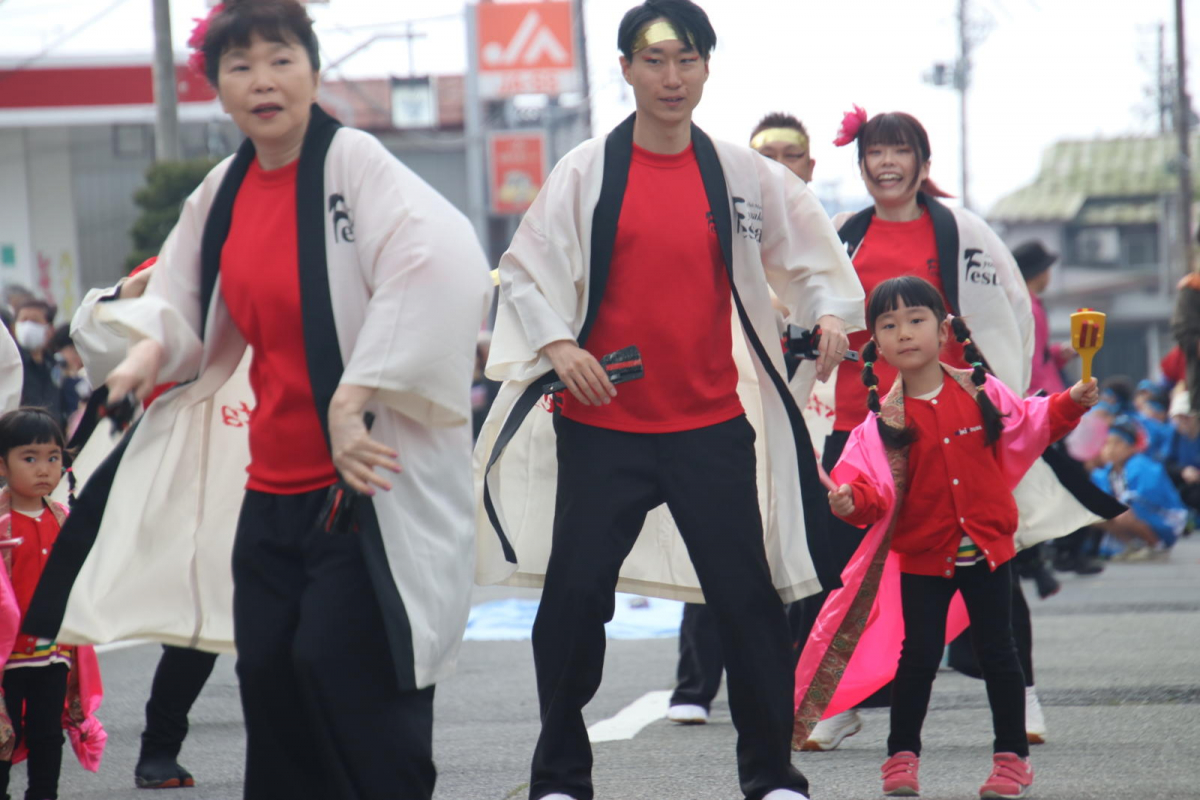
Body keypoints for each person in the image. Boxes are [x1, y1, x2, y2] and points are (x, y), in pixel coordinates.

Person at [23, 2, 491, 798]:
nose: (262, 81)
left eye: (280, 59)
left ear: (312, 71)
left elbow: (441, 266)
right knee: (270, 673)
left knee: (345, 668)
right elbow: (182, 302)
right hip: (272, 490)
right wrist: (139, 361)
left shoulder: (358, 167)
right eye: (240, 67)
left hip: (367, 484)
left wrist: (357, 396)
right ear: (219, 88)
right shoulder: (225, 190)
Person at [473, 3, 864, 799]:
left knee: (748, 603)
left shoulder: (740, 172)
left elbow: (813, 252)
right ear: (624, 69)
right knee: (574, 603)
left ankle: (768, 772)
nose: (671, 77)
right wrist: (559, 348)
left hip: (710, 427)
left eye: (686, 60)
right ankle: (558, 774)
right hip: (602, 427)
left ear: (707, 68)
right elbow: (522, 270)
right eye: (654, 62)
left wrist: (827, 310)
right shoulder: (586, 169)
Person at [795, 107, 1113, 753]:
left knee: (990, 550)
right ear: (861, 166)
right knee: (844, 567)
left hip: (954, 421)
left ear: (922, 162)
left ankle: (1020, 692)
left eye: (899, 150)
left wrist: (1003, 398)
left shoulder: (961, 230)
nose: (886, 162)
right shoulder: (841, 235)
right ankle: (845, 697)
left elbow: (1010, 312)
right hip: (863, 422)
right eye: (874, 153)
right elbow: (815, 306)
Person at [816, 276, 1097, 798]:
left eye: (917, 320)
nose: (905, 333)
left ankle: (1012, 759)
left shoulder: (981, 389)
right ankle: (901, 759)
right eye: (889, 325)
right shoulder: (880, 423)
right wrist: (849, 502)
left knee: (999, 653)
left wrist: (1071, 402)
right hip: (923, 557)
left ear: (944, 329)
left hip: (988, 550)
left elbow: (1032, 422)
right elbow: (870, 493)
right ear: (875, 345)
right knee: (917, 658)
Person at [667, 109, 821, 727]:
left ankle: (805, 685)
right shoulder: (716, 229)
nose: (779, 168)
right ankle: (696, 685)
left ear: (810, 167)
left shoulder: (827, 244)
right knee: (718, 540)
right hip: (725, 410)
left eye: (791, 156)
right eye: (766, 158)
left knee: (807, 551)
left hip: (815, 418)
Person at [0, 408, 100, 799]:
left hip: (53, 651)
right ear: (2, 465)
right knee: (5, 737)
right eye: (30, 458)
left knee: (47, 734)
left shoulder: (64, 519)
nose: (44, 469)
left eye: (53, 458)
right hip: (7, 656)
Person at [1091, 416, 1186, 558]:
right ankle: (1133, 545)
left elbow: (1147, 498)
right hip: (1134, 515)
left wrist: (1117, 503)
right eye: (1107, 444)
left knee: (1120, 512)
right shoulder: (1107, 471)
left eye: (1117, 443)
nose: (1110, 449)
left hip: (1165, 518)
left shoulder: (1142, 466)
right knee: (1093, 514)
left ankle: (1157, 546)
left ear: (1132, 447)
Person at [14, 300, 64, 427]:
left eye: (35, 321)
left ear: (50, 329)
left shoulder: (54, 364)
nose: (28, 326)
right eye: (23, 320)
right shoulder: (12, 364)